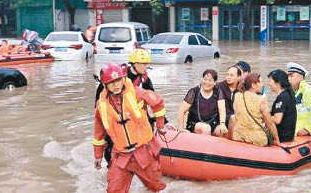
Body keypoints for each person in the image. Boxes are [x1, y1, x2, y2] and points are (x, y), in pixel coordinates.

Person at [92, 63, 166, 192]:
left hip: (144, 151)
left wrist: (160, 125)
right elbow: (99, 132)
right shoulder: (101, 105)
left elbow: (158, 102)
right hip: (121, 155)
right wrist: (98, 155)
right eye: (111, 82)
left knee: (155, 187)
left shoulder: (136, 92)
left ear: (123, 79)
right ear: (105, 84)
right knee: (114, 189)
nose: (115, 85)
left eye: (117, 80)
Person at [95, 49, 168, 165]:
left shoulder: (145, 80)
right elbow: (101, 100)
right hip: (117, 118)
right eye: (144, 64)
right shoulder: (117, 77)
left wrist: (163, 122)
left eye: (147, 64)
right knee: (111, 143)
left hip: (137, 118)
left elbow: (153, 101)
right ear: (134, 64)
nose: (146, 67)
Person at [232, 73, 280, 147]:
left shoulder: (237, 96)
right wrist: (277, 139)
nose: (262, 85)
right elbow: (270, 123)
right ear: (253, 85)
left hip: (239, 136)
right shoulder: (261, 100)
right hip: (256, 140)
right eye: (260, 82)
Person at [177, 69, 228, 136]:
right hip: (195, 123)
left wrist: (222, 124)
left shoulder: (218, 92)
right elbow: (181, 111)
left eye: (210, 80)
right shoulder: (194, 92)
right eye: (205, 79)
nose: (206, 82)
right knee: (206, 128)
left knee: (223, 131)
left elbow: (222, 110)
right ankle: (205, 146)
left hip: (213, 123)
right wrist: (181, 129)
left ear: (215, 82)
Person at [287, 62, 311, 136]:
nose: (288, 79)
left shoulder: (308, 91)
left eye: (291, 76)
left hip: (305, 133)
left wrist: (307, 129)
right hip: (296, 131)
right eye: (288, 76)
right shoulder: (295, 92)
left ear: (300, 77)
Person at [267, 69, 297, 142]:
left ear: (278, 83)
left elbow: (277, 120)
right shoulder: (287, 94)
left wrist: (265, 117)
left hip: (282, 136)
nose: (268, 83)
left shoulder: (282, 98)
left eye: (270, 81)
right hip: (288, 135)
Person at [216, 65, 241, 138]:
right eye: (227, 75)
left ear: (238, 77)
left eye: (232, 75)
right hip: (222, 117)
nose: (228, 77)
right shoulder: (219, 86)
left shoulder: (242, 89)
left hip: (237, 117)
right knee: (233, 117)